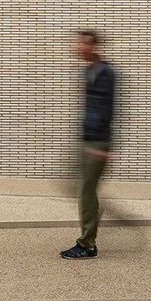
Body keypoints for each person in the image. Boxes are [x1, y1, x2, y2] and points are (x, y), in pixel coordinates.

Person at [61, 30, 115, 260]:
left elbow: (107, 110)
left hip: (97, 142)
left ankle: (87, 245)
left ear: (93, 47)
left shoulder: (106, 73)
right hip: (88, 139)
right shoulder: (87, 72)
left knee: (86, 191)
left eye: (81, 44)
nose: (77, 47)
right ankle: (94, 211)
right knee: (80, 186)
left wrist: (102, 146)